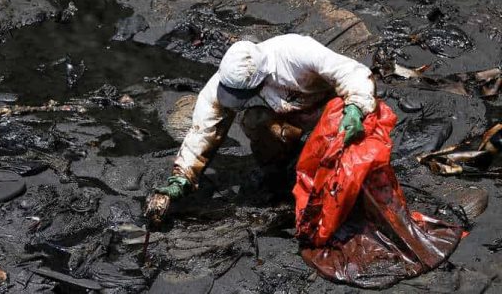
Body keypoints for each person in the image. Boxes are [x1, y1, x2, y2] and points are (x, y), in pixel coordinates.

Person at [145, 34, 376, 223]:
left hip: (331, 112)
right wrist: (182, 176)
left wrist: (355, 107)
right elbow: (203, 129)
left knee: (344, 164)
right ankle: (282, 172)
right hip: (293, 116)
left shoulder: (297, 52)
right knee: (252, 119)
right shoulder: (225, 80)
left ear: (261, 77)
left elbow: (352, 72)